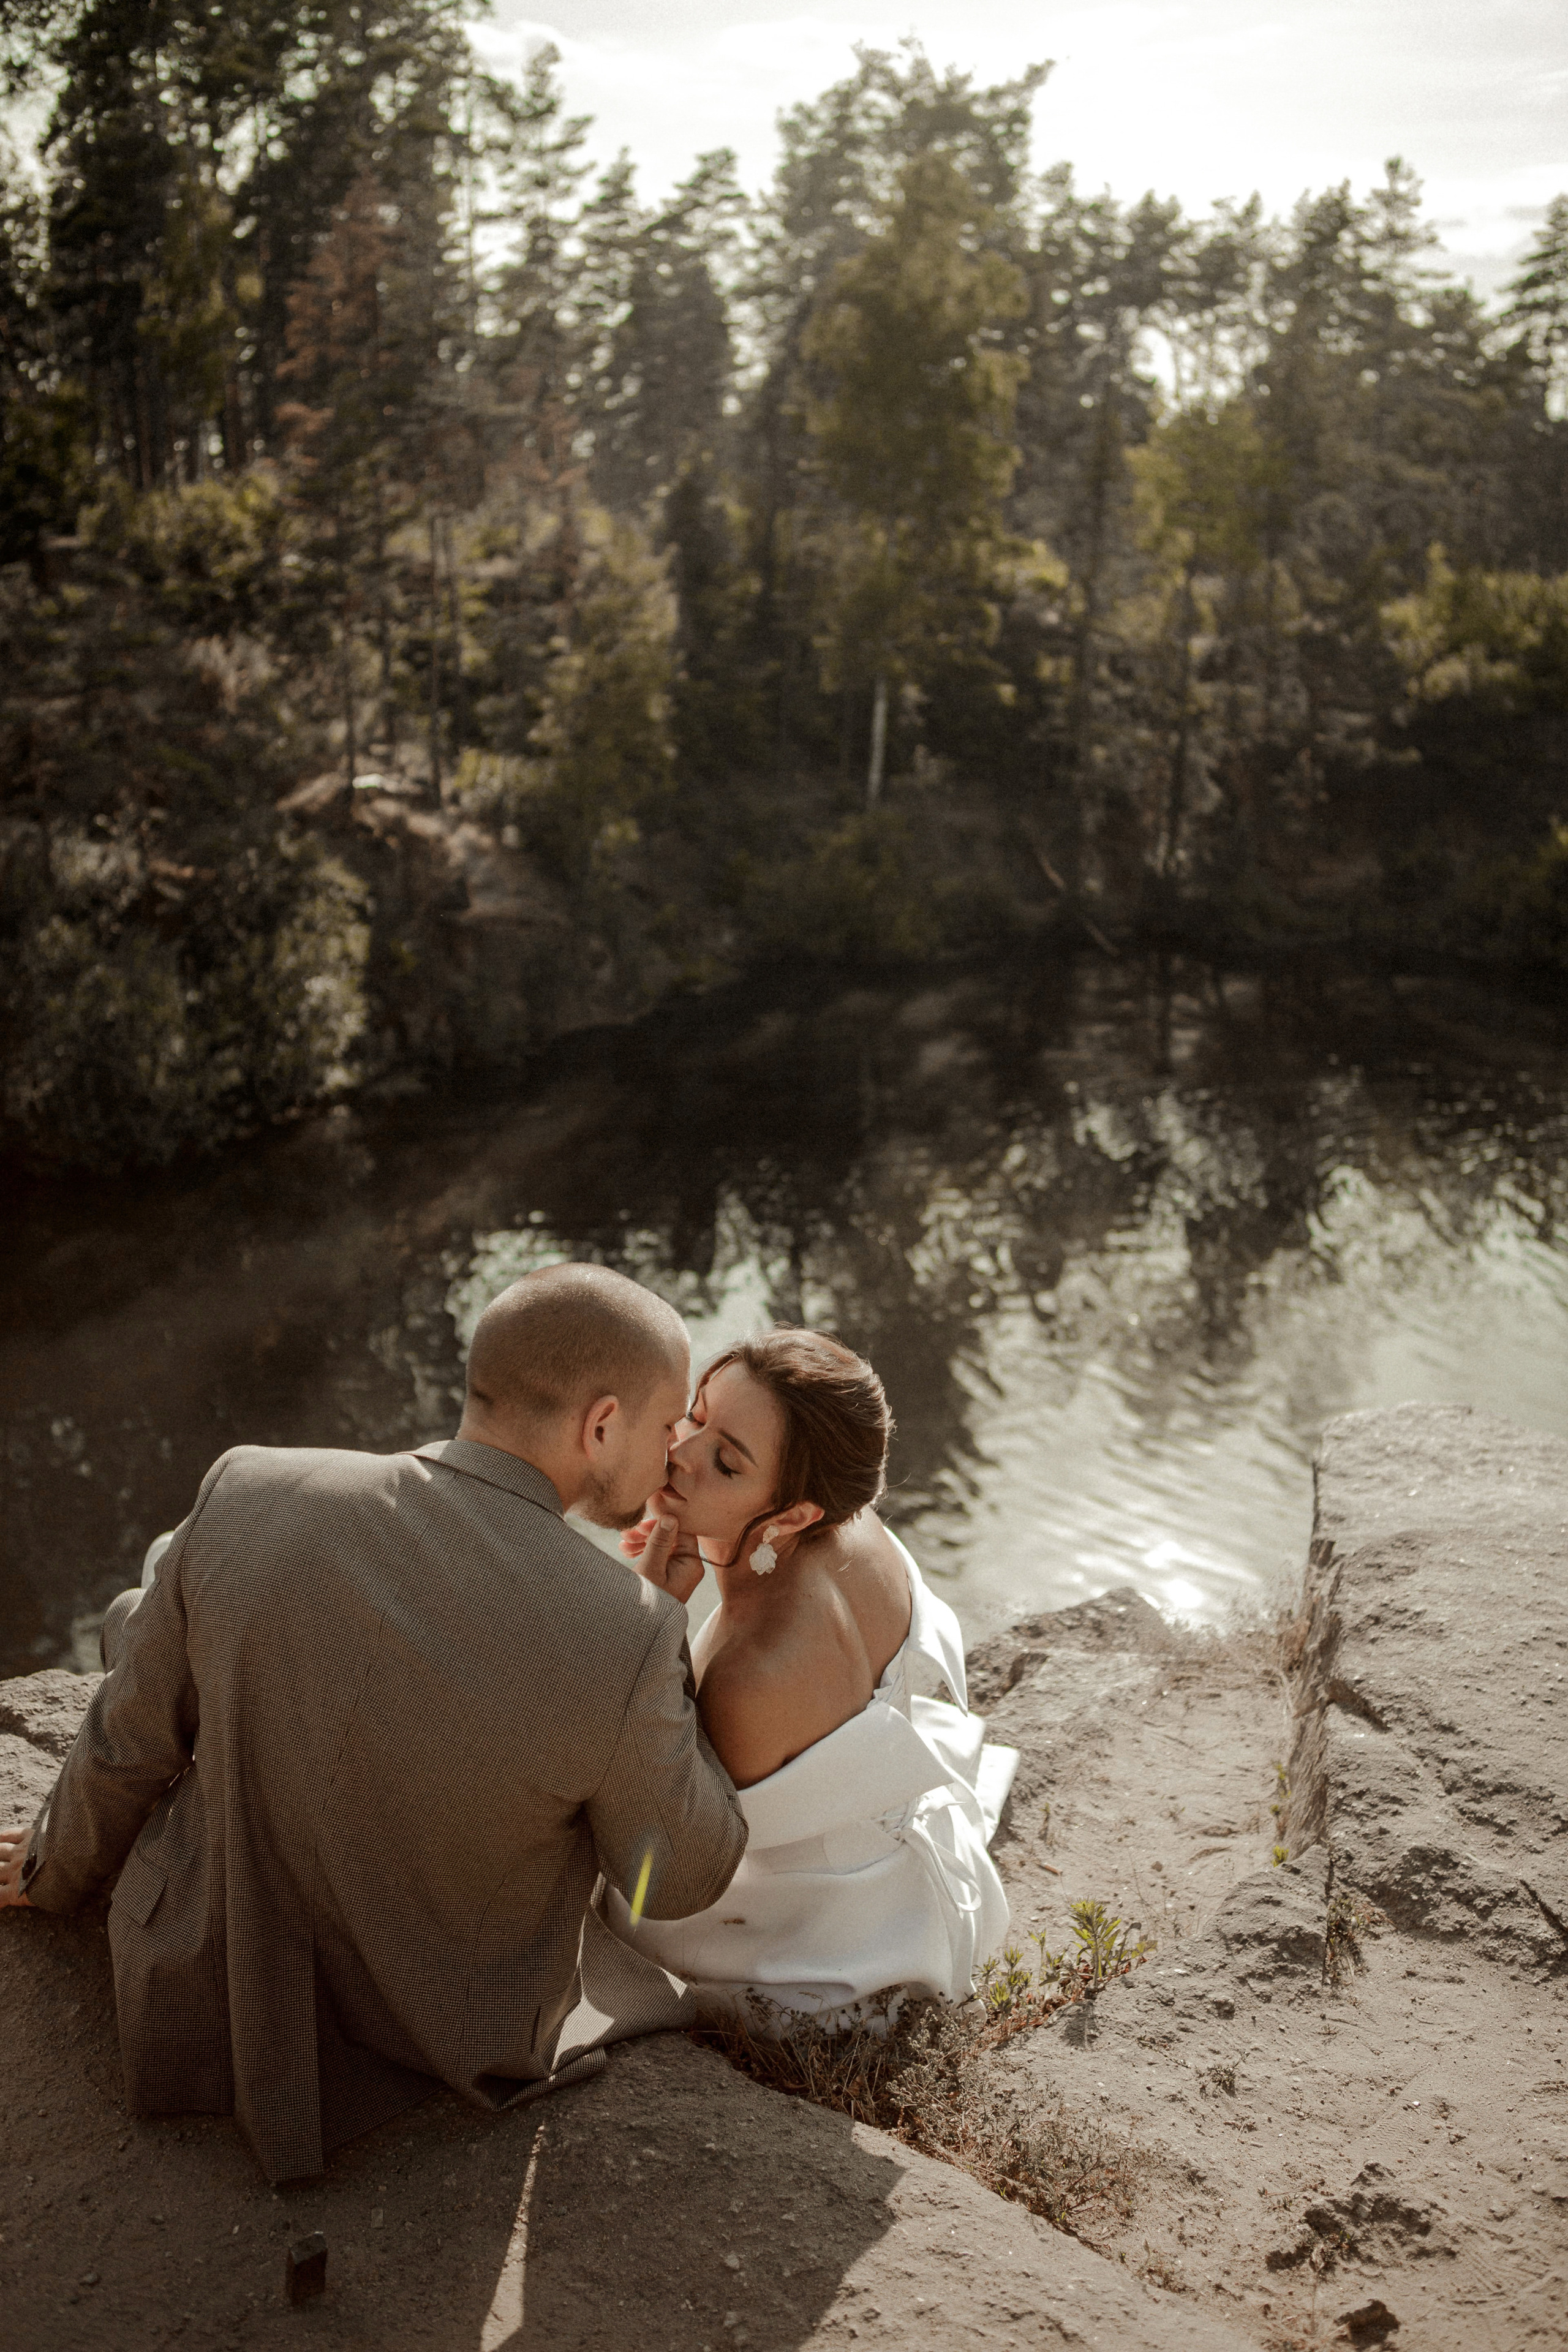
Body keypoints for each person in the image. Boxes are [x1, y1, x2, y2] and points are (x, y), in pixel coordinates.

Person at [0, 1265, 746, 2183]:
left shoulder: (249, 1483)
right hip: (443, 2039)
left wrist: (53, 1868)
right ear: (601, 1426)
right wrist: (671, 1653)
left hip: (200, 1990)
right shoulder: (627, 1630)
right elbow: (677, 1877)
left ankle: (164, 1613)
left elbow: (126, 1741)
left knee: (161, 1601)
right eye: (668, 1426)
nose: (674, 1456)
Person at [588, 1329, 1017, 2034]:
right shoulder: (851, 1522)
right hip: (887, 1875)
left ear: (792, 1514)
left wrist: (652, 1619)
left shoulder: (751, 1676)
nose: (680, 1454)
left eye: (725, 1462)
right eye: (695, 1415)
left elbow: (664, 1856)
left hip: (802, 1942)